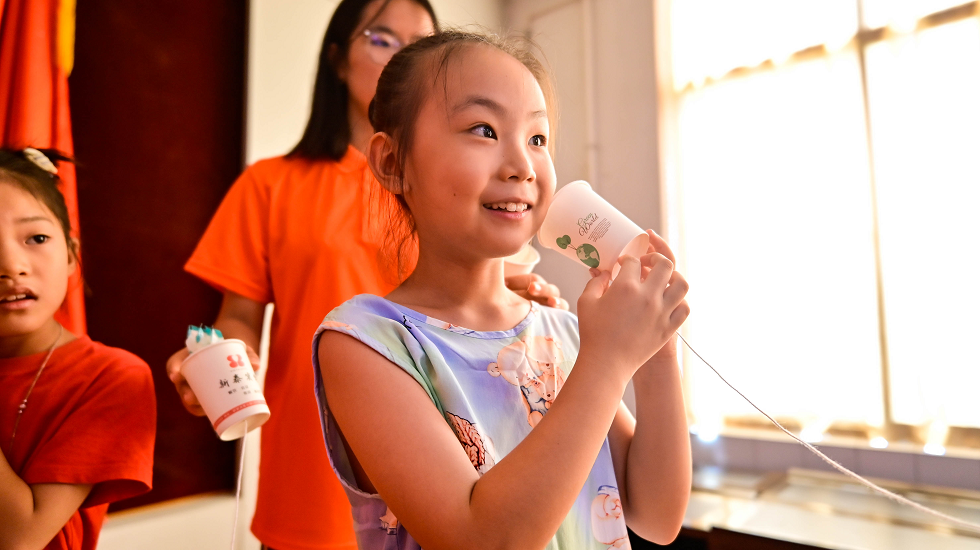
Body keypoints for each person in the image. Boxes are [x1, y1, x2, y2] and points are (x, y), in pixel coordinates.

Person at [164, 1, 565, 549]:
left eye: (419, 41)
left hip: (449, 478)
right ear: (337, 58)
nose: (400, 54)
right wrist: (219, 359)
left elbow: (487, 301)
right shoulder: (270, 185)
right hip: (306, 487)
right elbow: (238, 316)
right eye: (381, 39)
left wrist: (531, 301)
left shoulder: (458, 188)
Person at [312, 30, 692, 550]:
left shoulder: (564, 332)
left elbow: (657, 516)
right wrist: (608, 360)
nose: (523, 167)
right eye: (484, 130)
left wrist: (654, 349)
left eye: (537, 139)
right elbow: (481, 540)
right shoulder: (365, 342)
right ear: (393, 163)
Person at [0, 148, 156, 550]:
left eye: (37, 238)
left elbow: (20, 537)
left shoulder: (111, 377)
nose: (12, 266)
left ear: (71, 254)